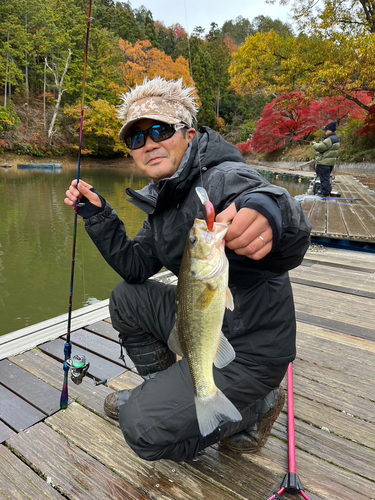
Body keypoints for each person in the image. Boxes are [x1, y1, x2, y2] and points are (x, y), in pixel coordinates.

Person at [64, 77, 312, 463]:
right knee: (126, 298)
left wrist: (270, 211)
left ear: (189, 134)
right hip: (203, 324)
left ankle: (254, 408)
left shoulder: (221, 177)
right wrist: (97, 215)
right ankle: (176, 393)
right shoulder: (164, 200)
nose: (148, 144)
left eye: (159, 130)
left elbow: (266, 202)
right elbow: (135, 267)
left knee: (141, 430)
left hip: (253, 348)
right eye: (136, 139)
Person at [312, 121, 341, 197]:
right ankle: (327, 191)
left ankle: (324, 193)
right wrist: (319, 143)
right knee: (327, 178)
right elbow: (327, 147)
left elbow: (320, 148)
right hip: (330, 162)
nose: (325, 131)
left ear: (330, 130)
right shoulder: (336, 138)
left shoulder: (329, 139)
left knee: (324, 178)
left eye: (326, 130)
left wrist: (315, 145)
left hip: (324, 162)